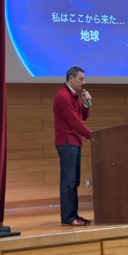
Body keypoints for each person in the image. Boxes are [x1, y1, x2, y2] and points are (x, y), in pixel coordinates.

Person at [54, 66, 92, 226]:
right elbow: (74, 121)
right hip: (67, 142)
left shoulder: (73, 96)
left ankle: (73, 214)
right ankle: (68, 218)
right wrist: (91, 135)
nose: (83, 82)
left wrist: (86, 104)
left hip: (75, 142)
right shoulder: (63, 96)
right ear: (71, 78)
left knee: (74, 181)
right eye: (80, 79)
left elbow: (82, 116)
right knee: (68, 182)